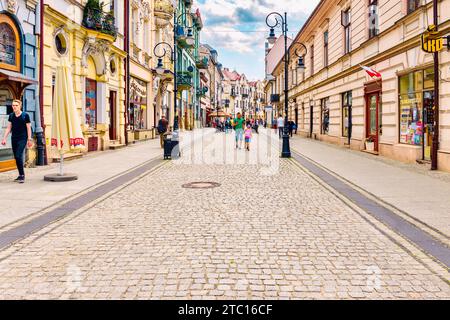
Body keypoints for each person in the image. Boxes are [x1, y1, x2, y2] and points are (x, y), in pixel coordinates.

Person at [1, 99, 33, 183]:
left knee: (18, 155)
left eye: (16, 105)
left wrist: (29, 139)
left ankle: (22, 175)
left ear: (20, 106)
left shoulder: (25, 115)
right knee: (16, 157)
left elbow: (28, 128)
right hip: (14, 138)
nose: (14, 107)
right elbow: (8, 128)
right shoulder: (11, 116)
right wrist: (4, 138)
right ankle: (20, 175)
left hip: (22, 138)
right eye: (13, 105)